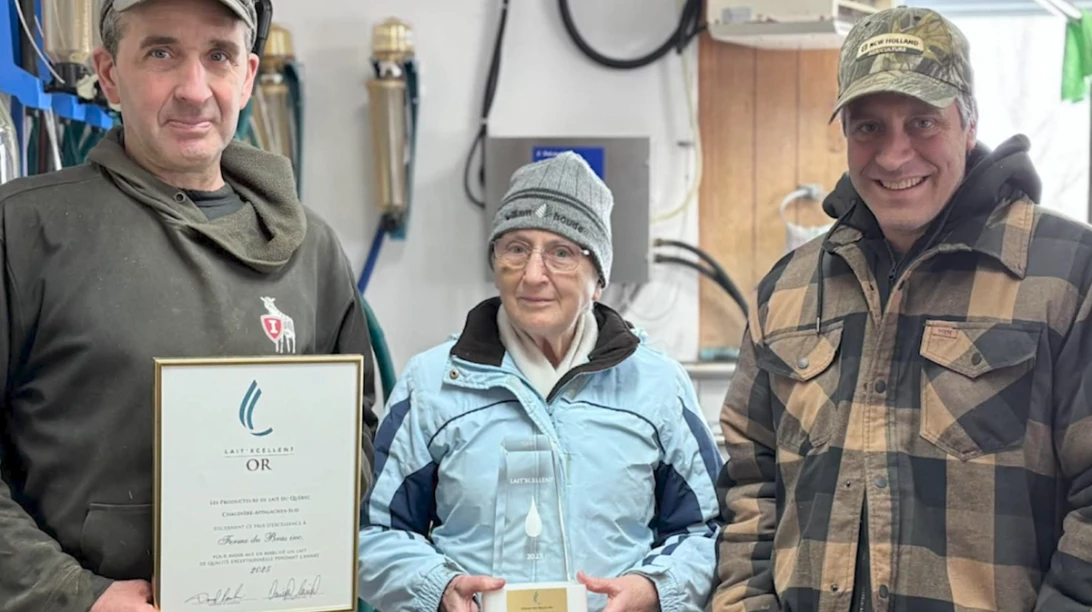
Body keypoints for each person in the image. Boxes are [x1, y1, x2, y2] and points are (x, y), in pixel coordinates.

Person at [712, 6, 1092, 612]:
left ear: (969, 123)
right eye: (868, 127)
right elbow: (748, 487)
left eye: (922, 122)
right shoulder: (787, 290)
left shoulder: (1065, 273)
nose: (893, 156)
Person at [0, 0, 377, 610]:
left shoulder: (312, 251)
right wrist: (73, 594)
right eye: (161, 53)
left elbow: (356, 429)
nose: (194, 90)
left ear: (247, 77)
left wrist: (303, 530)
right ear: (109, 74)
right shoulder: (23, 230)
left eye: (219, 56)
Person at [357, 151, 722, 612]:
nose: (533, 275)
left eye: (561, 253)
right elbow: (374, 532)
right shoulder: (432, 385)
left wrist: (653, 588)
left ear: (598, 279)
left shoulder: (657, 386)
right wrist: (438, 587)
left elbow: (707, 530)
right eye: (515, 248)